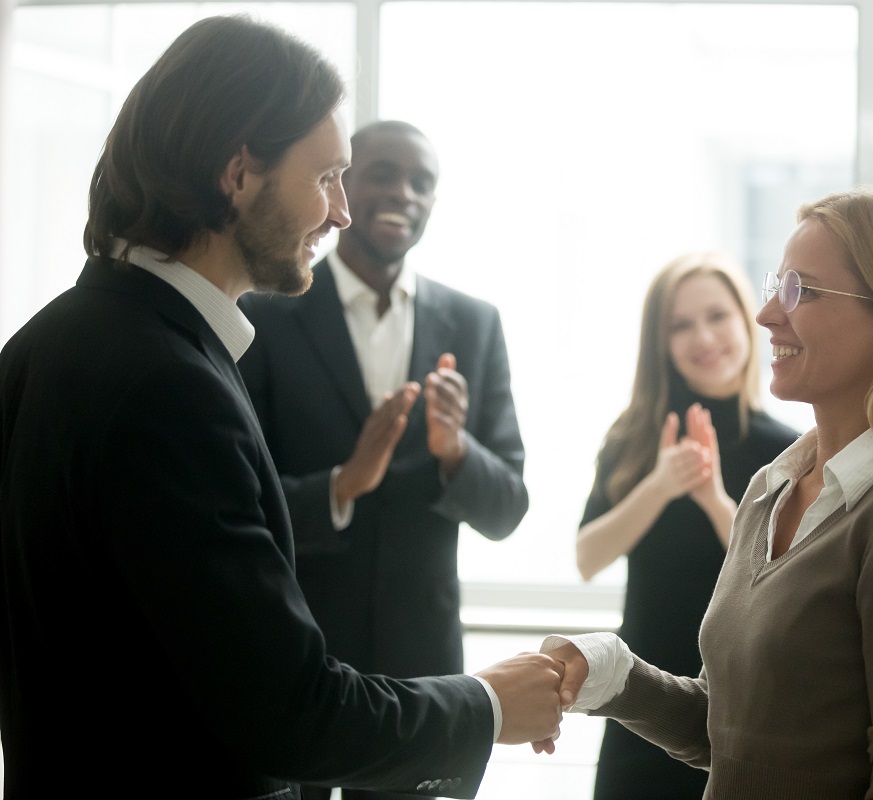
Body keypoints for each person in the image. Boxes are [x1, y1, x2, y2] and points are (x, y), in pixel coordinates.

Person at [0, 16, 566, 799]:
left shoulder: (45, 343)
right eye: (329, 176)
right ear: (239, 172)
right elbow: (290, 714)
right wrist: (489, 704)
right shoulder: (169, 386)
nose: (340, 213)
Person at [542, 187, 873, 798]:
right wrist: (607, 670)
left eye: (802, 291)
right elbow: (724, 730)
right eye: (776, 284)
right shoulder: (772, 486)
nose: (766, 316)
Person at [238, 120, 528, 800]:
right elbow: (241, 497)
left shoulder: (474, 323)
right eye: (383, 173)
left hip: (421, 669)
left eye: (422, 182)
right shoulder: (264, 314)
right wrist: (343, 486)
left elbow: (509, 508)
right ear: (340, 184)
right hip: (297, 660)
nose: (404, 192)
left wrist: (456, 450)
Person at [574, 252, 797, 799]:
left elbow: (786, 578)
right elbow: (587, 558)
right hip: (639, 702)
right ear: (661, 343)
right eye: (681, 325)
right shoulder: (633, 438)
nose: (704, 337)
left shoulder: (789, 448)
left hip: (742, 706)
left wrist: (714, 498)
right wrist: (660, 485)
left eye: (717, 316)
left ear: (747, 322)